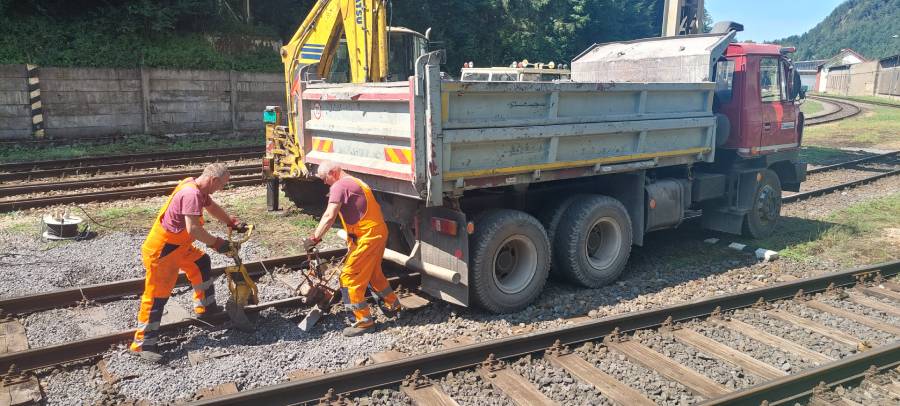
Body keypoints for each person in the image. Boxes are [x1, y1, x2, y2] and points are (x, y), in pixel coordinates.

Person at [130, 163, 247, 363]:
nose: (221, 188)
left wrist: (231, 222)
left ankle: (205, 307)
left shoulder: (196, 188)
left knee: (201, 263)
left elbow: (211, 207)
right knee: (157, 296)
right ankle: (143, 344)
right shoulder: (191, 194)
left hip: (179, 247)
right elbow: (193, 229)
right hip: (164, 251)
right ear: (214, 180)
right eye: (222, 185)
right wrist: (218, 244)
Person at [302, 161, 401, 337]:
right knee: (372, 273)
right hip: (374, 233)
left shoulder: (339, 185)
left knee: (349, 277)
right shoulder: (355, 181)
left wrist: (314, 238)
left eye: (325, 178)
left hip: (368, 237)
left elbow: (329, 215)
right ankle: (392, 306)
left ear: (333, 172)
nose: (324, 182)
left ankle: (363, 322)